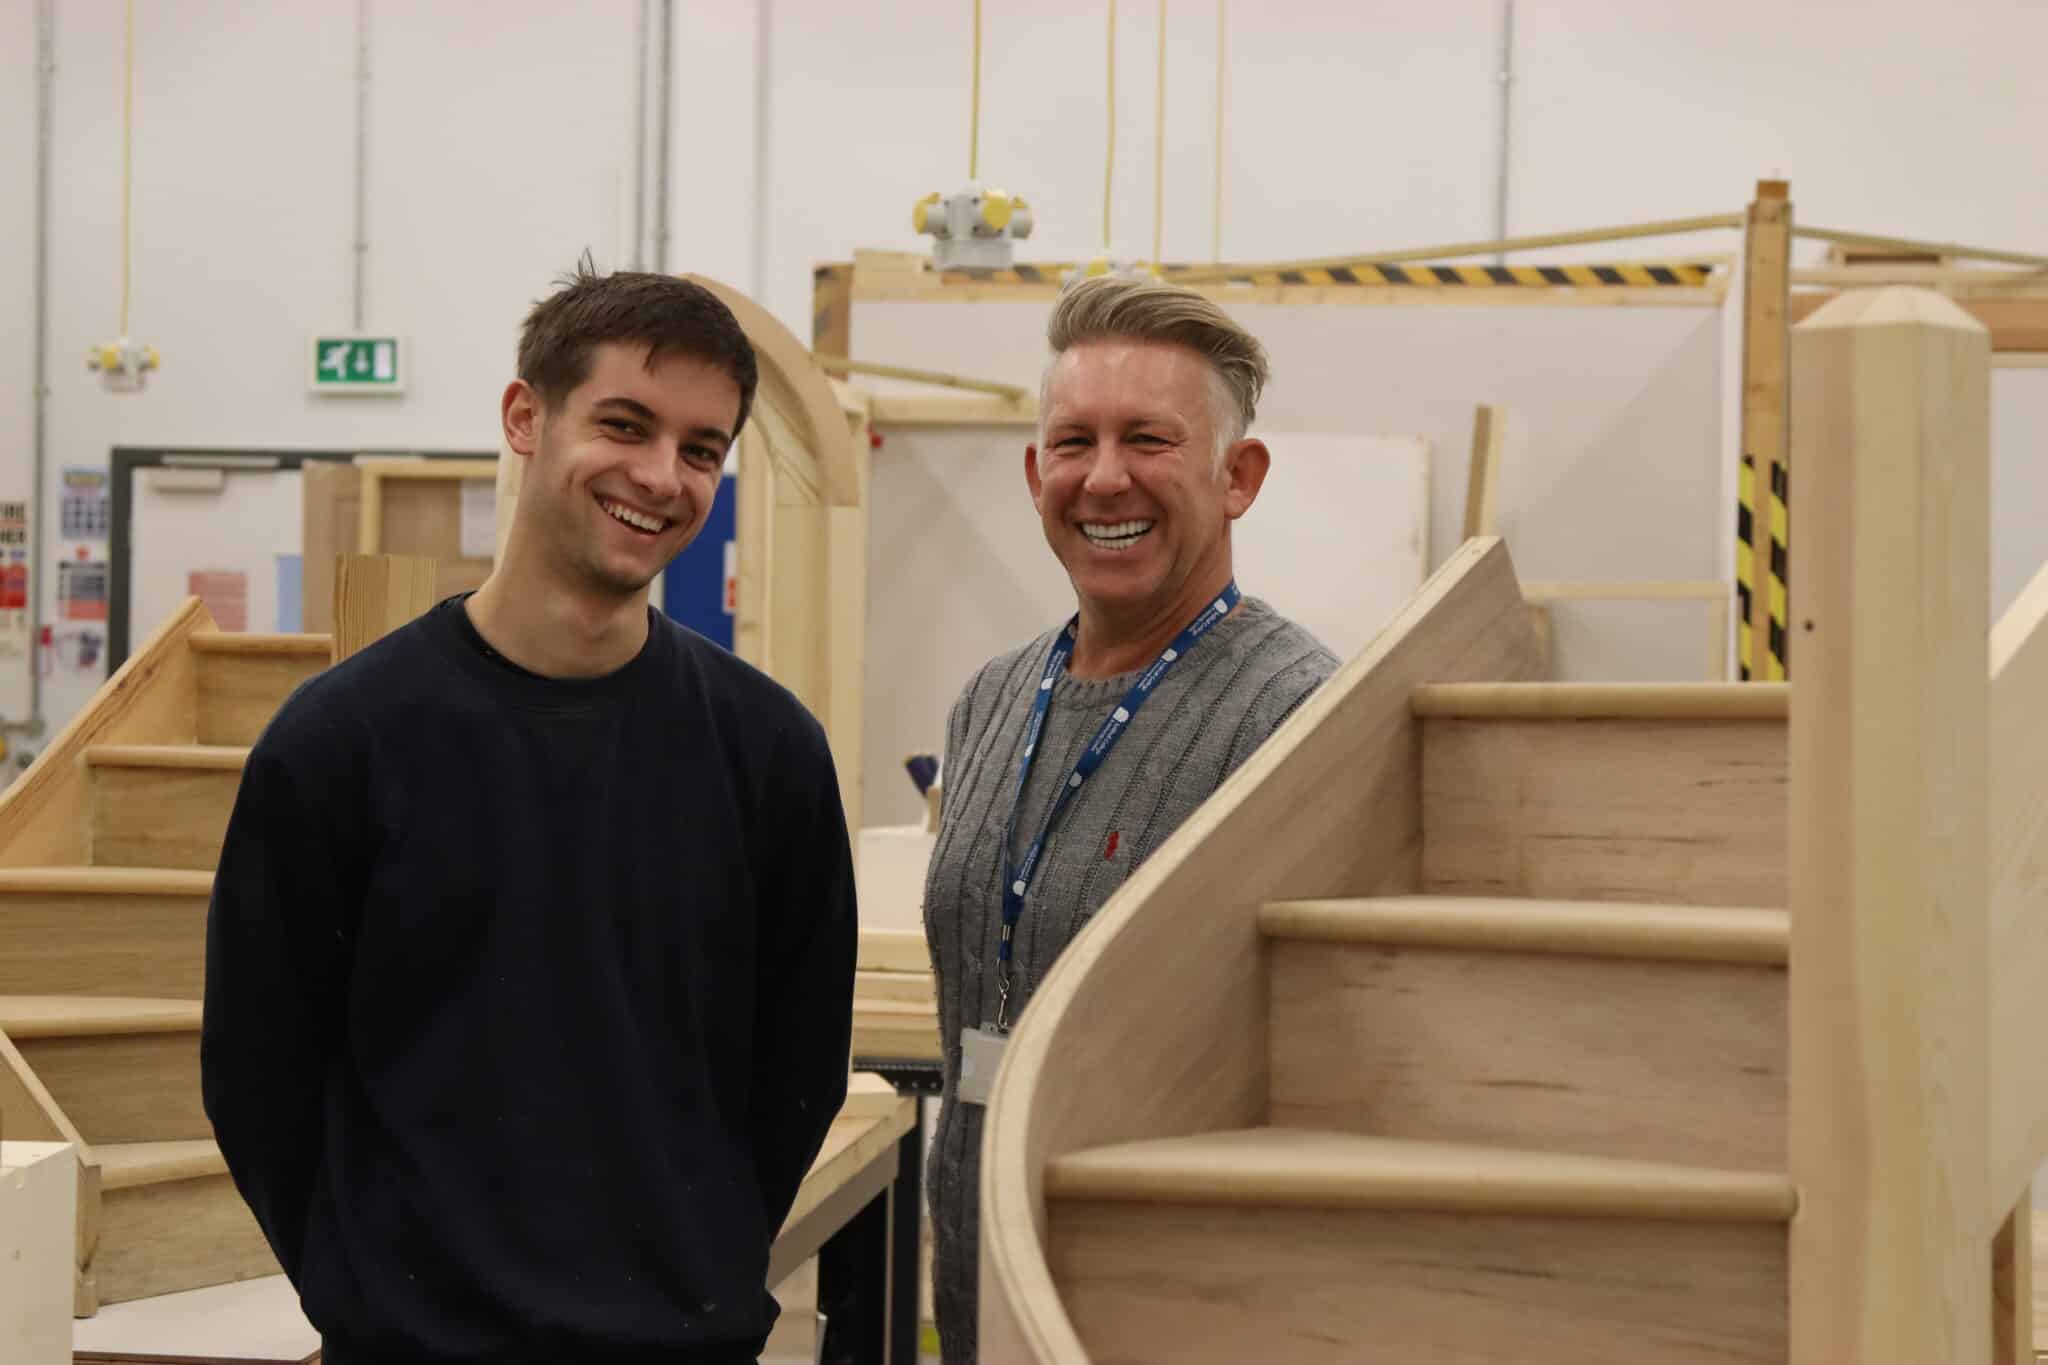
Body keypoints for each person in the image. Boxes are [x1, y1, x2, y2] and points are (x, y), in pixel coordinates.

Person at [202, 263, 856, 1364]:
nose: (661, 476)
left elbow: (797, 1071)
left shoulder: (769, 754)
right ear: (525, 418)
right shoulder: (339, 745)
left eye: (701, 450)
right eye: (625, 424)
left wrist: (701, 1264)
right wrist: (367, 1292)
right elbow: (259, 1076)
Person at [921, 275, 1338, 1360]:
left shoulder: (1299, 720)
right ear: (1034, 472)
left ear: (1235, 476)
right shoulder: (990, 698)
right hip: (980, 1266)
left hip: (1173, 1300)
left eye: (1148, 439)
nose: (1104, 479)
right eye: (1073, 442)